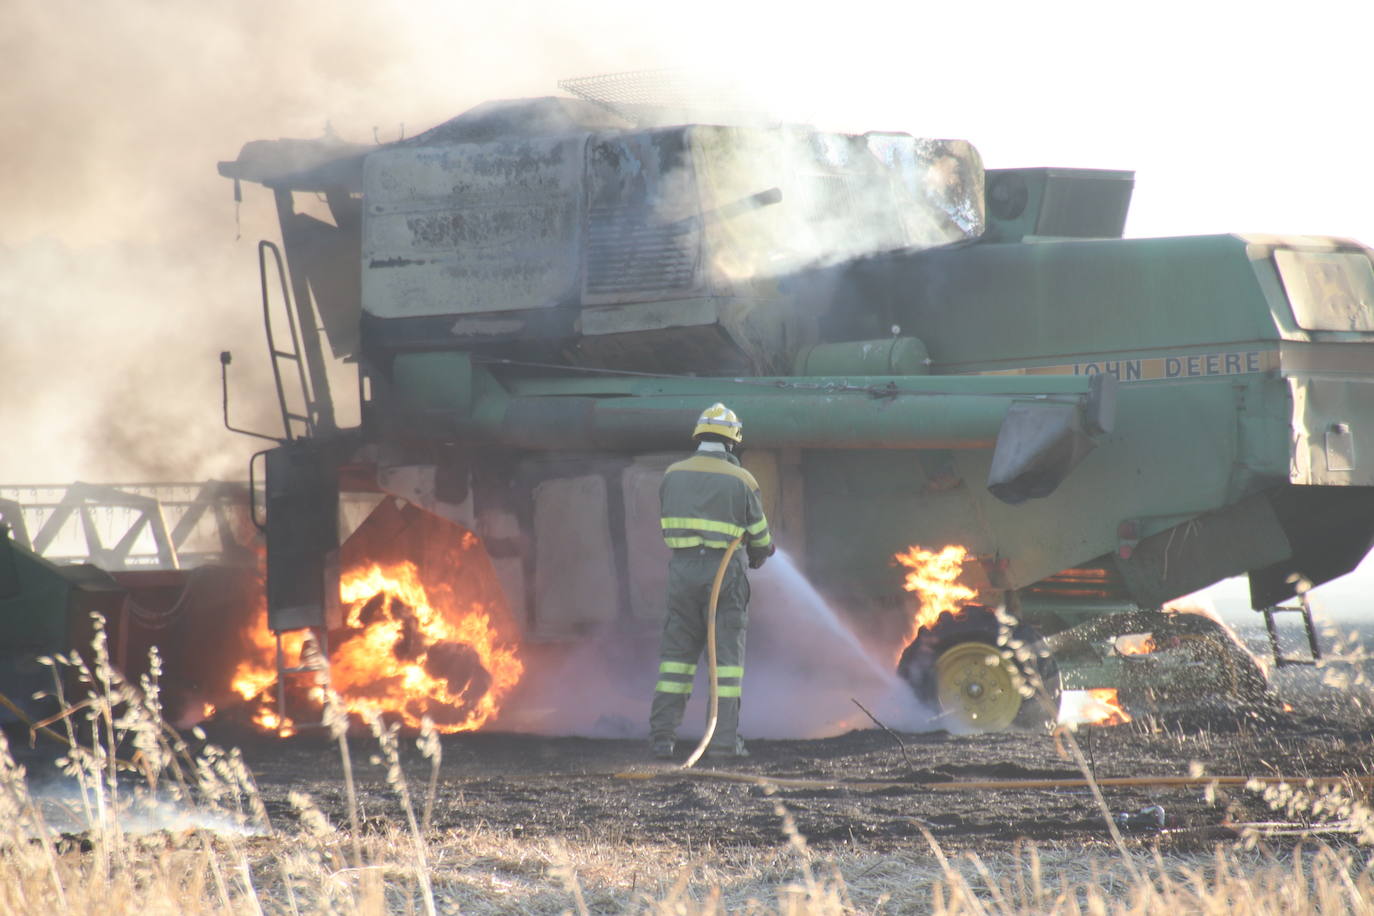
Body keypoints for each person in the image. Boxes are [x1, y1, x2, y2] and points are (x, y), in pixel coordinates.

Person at [649, 403, 774, 760]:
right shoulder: (742, 480)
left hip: (682, 571)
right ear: (733, 442)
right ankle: (721, 743)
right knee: (726, 661)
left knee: (676, 659)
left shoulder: (672, 474)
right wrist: (762, 551)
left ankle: (662, 738)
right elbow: (759, 536)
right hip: (724, 573)